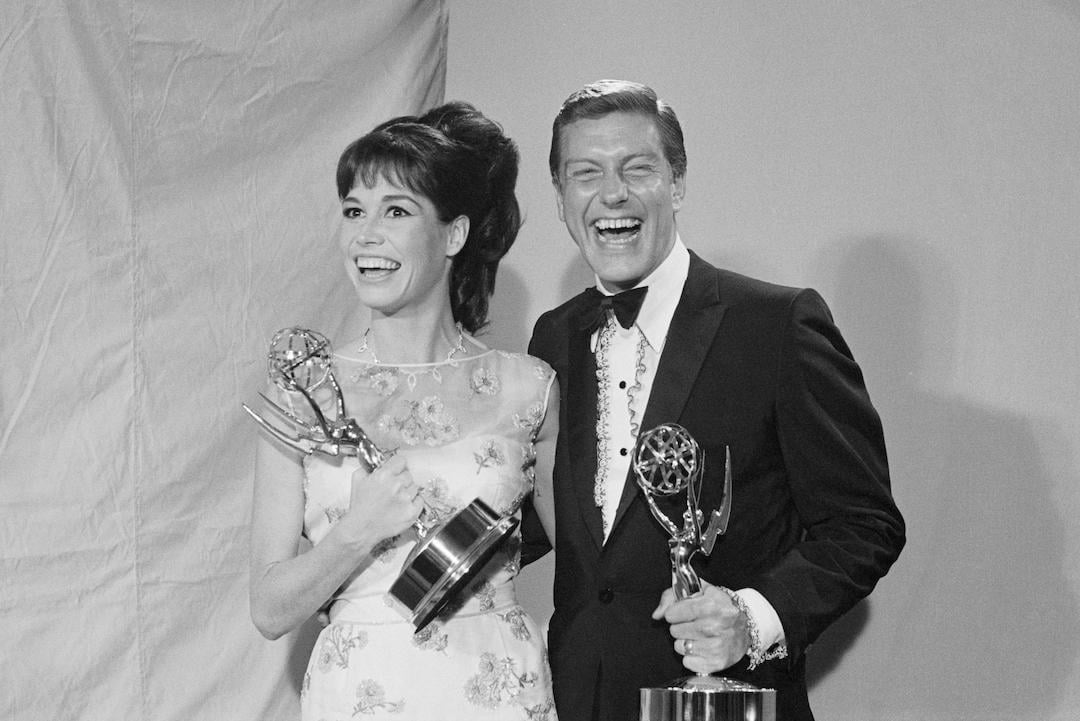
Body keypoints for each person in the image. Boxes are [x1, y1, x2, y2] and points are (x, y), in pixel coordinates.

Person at [520, 79, 905, 721]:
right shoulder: (553, 337)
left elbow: (864, 524)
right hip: (580, 701)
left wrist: (752, 617)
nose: (611, 193)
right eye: (584, 173)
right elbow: (554, 515)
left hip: (725, 703)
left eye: (636, 168)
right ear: (561, 197)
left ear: (677, 183)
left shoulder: (777, 324)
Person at [249, 102, 559, 721]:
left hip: (497, 688)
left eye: (395, 211)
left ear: (454, 234)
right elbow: (269, 608)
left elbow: (591, 572)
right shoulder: (305, 390)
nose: (366, 234)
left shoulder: (528, 389)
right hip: (361, 690)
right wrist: (356, 530)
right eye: (353, 211)